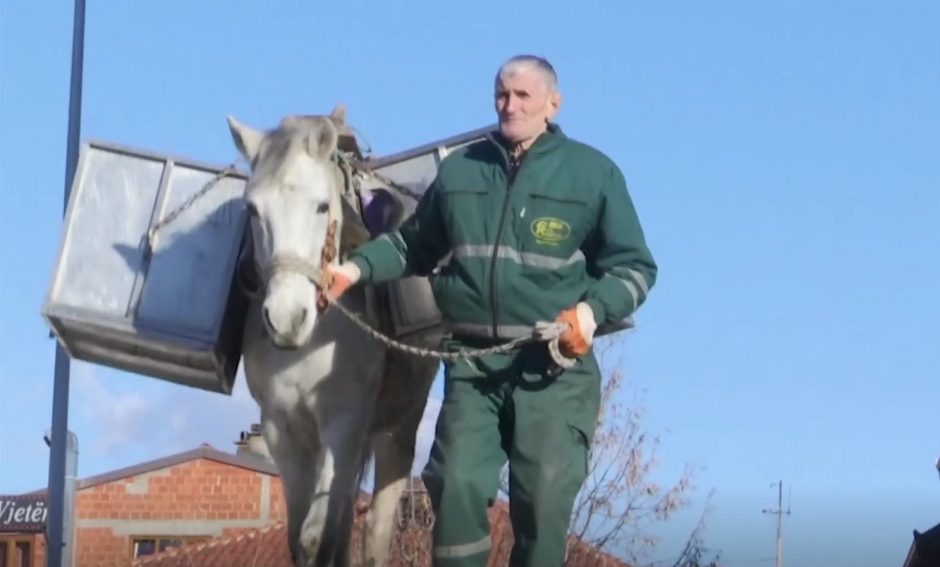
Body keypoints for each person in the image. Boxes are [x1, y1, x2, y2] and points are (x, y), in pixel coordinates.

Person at [325, 55, 657, 566]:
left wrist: (590, 314)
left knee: (542, 502)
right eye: (503, 94)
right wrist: (352, 269)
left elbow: (635, 268)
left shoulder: (592, 174)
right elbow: (414, 245)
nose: (510, 105)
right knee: (453, 483)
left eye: (523, 96)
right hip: (472, 364)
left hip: (552, 368)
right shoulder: (462, 170)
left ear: (553, 103)